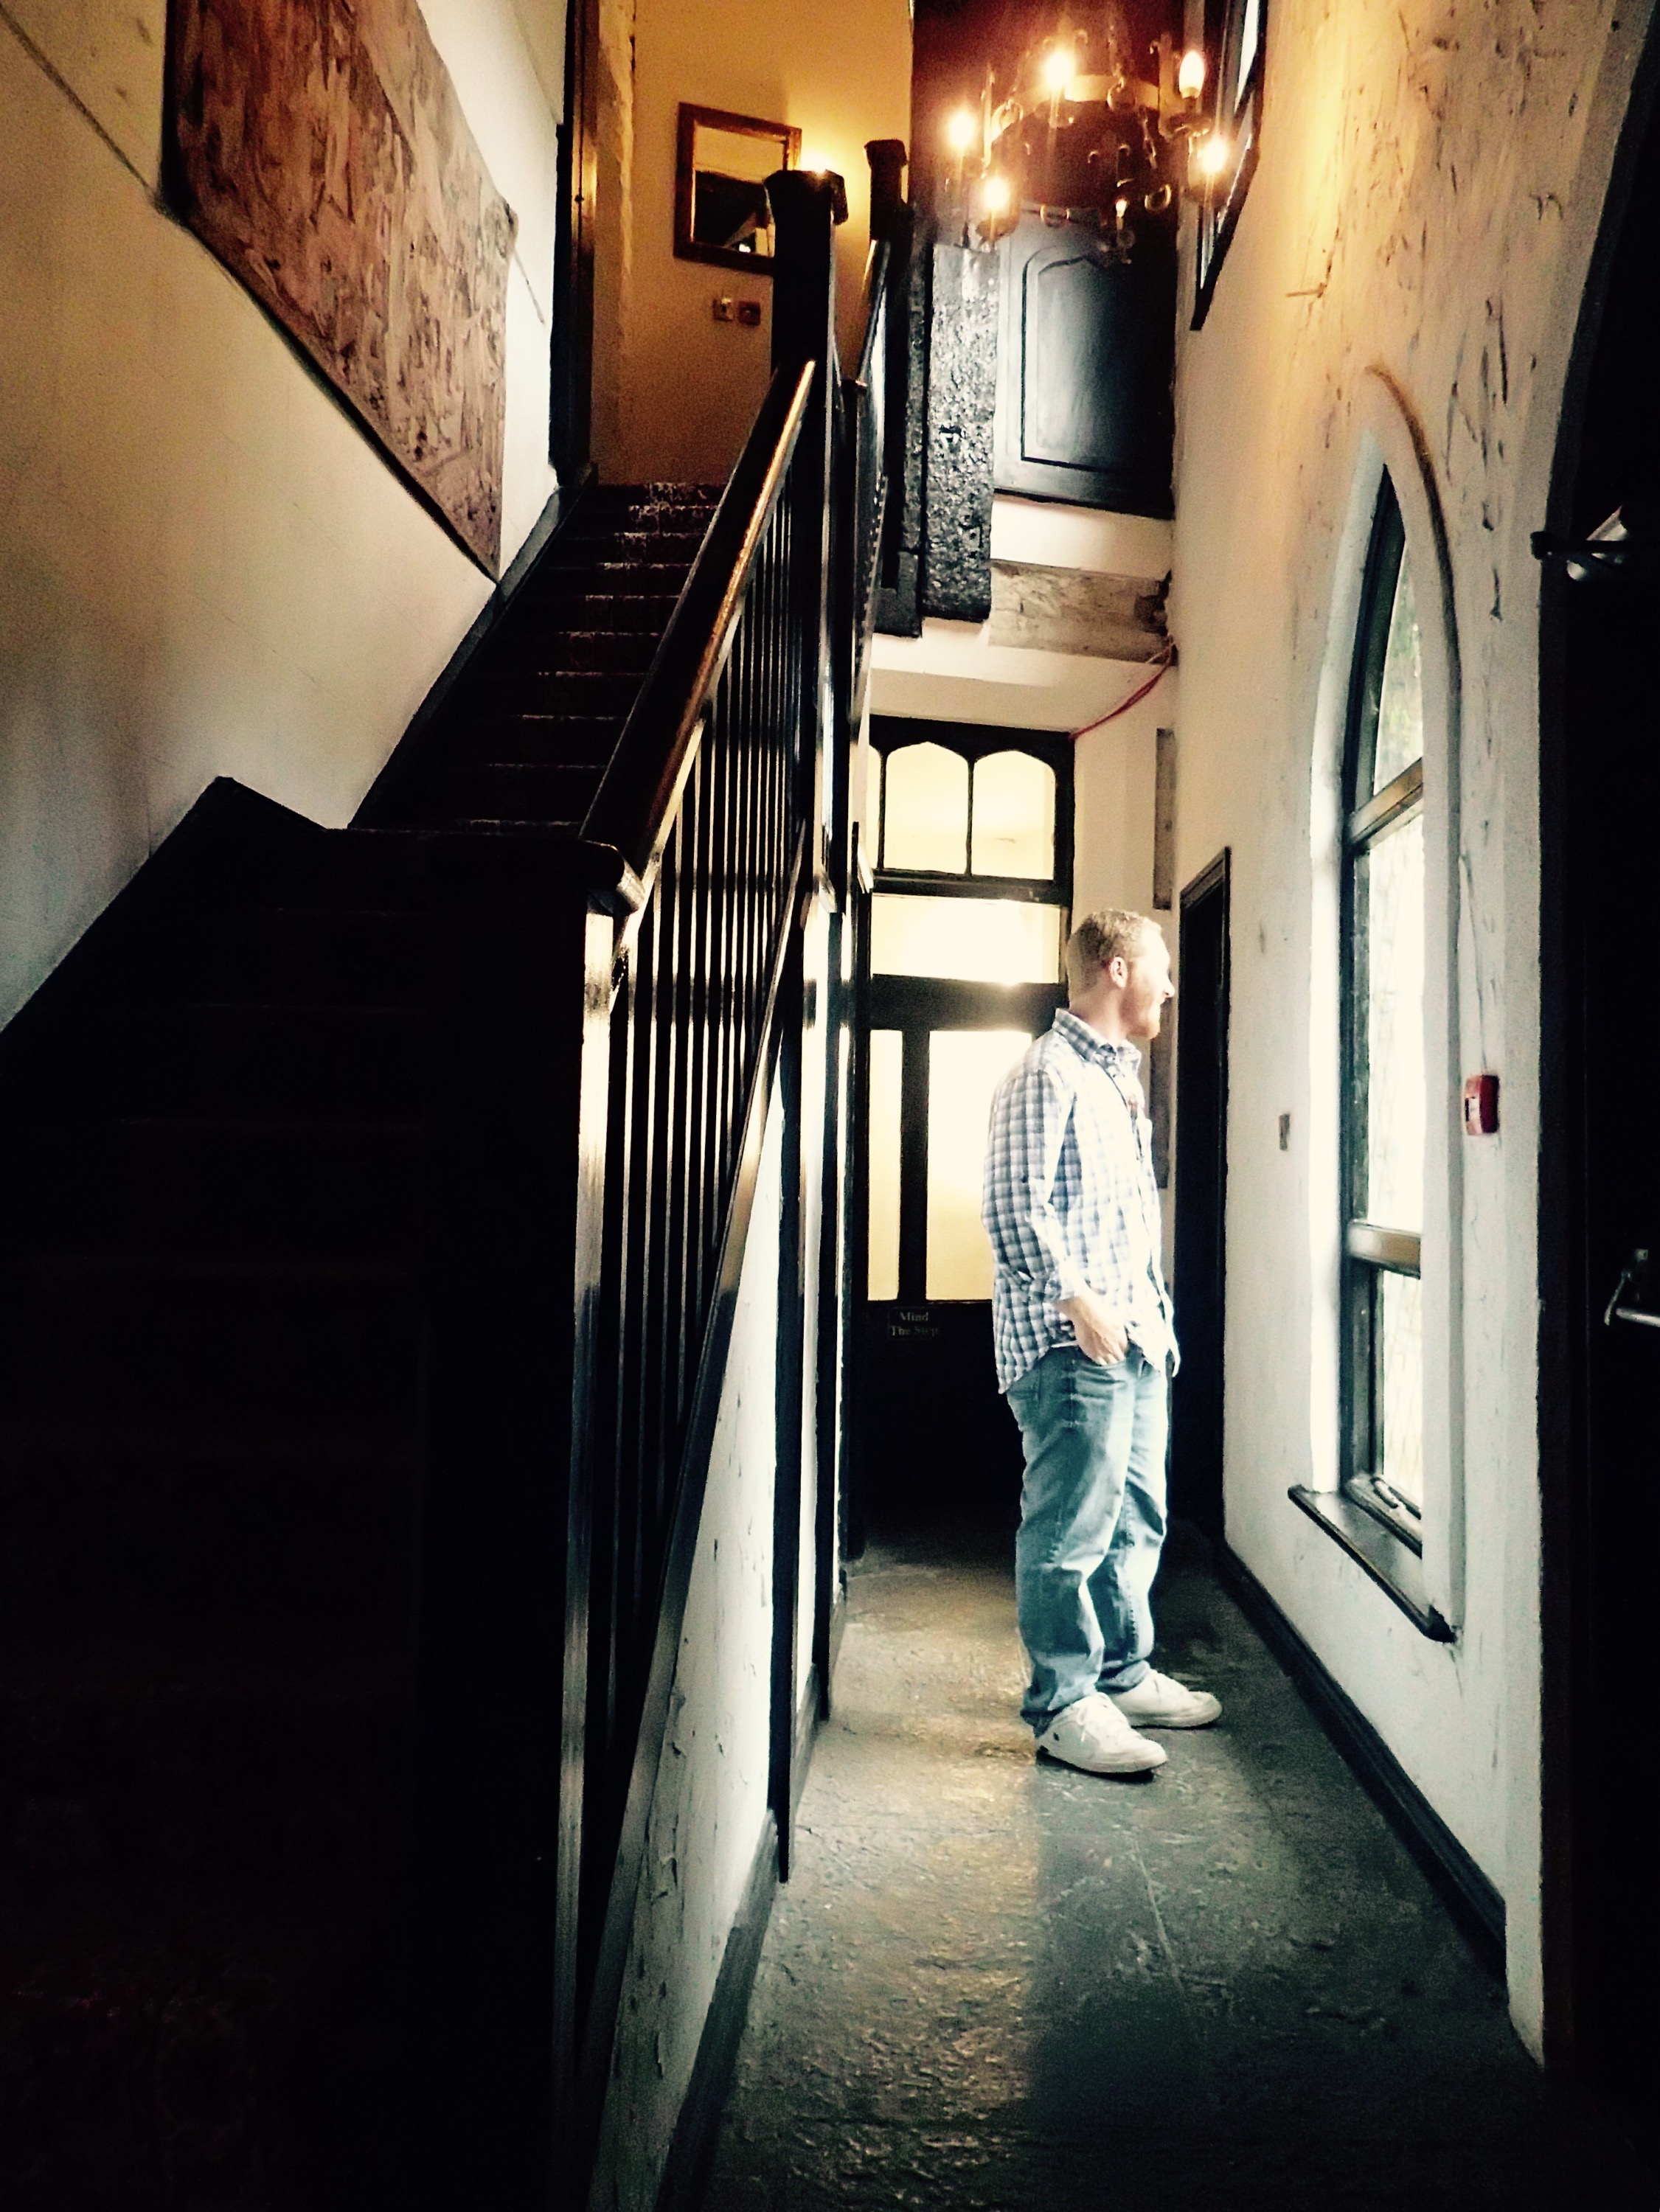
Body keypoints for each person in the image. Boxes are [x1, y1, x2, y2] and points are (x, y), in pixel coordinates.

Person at [982, 908, 1222, 1776]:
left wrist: (1149, 1320)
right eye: (1161, 966)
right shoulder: (1046, 1072)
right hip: (1069, 1347)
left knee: (1136, 1520)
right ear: (1117, 969)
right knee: (1068, 1532)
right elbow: (1013, 1207)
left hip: (1137, 1341)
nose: (1171, 986)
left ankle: (1121, 1675)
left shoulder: (1116, 1078)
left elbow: (1117, 1218)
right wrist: (1078, 1302)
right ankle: (1063, 1703)